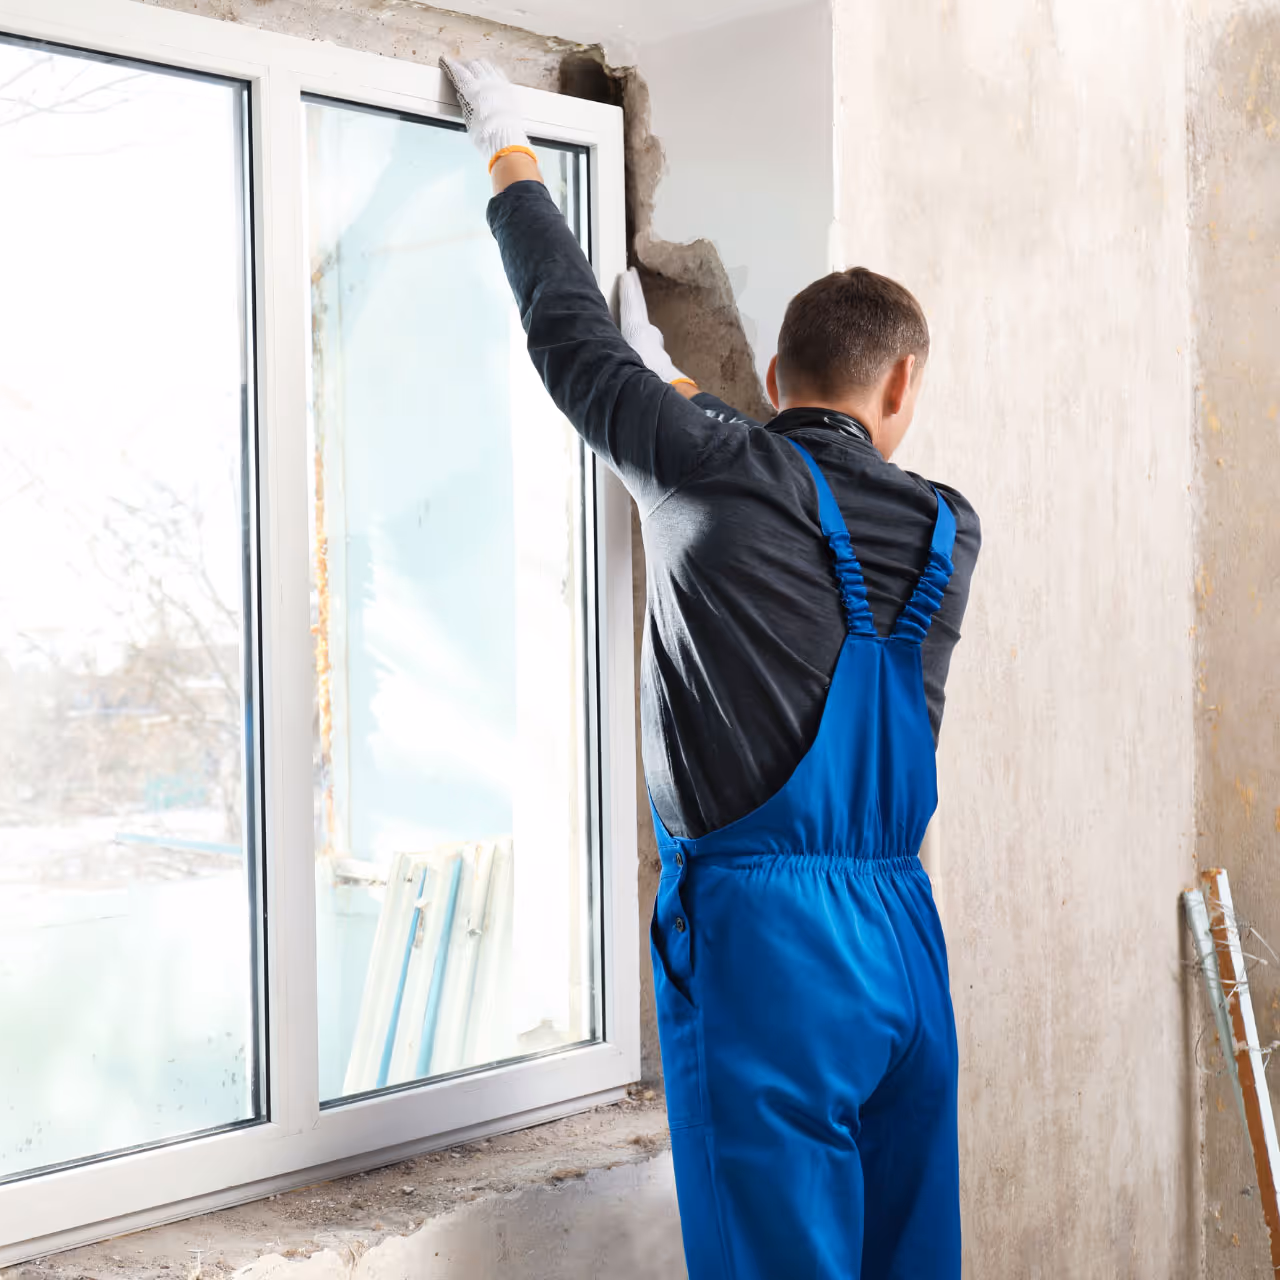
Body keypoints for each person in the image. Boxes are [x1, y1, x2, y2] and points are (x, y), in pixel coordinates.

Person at [442, 58, 983, 1280]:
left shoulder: (717, 468)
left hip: (769, 950)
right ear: (902, 384)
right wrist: (676, 384)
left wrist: (509, 153)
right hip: (903, 939)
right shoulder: (951, 528)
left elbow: (570, 341)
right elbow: (787, 476)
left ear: (778, 379)